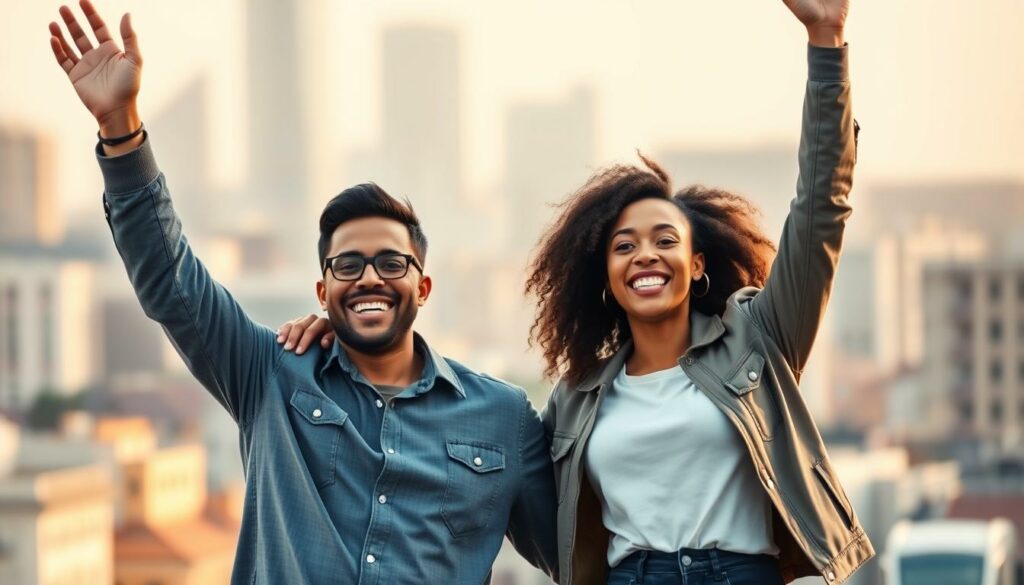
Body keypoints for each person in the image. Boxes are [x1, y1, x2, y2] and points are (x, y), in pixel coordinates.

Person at [281, 0, 874, 583]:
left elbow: (819, 212)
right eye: (624, 246)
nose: (645, 254)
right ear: (607, 278)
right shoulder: (577, 401)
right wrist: (349, 334)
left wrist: (826, 41)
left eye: (665, 240)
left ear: (696, 265)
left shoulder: (757, 342)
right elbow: (484, 476)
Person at [46, 2, 559, 584]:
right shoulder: (270, 374)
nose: (370, 277)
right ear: (323, 290)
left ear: (423, 286)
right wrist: (121, 126)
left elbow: (577, 557)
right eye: (348, 264)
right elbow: (172, 282)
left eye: (391, 262)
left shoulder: (503, 416)